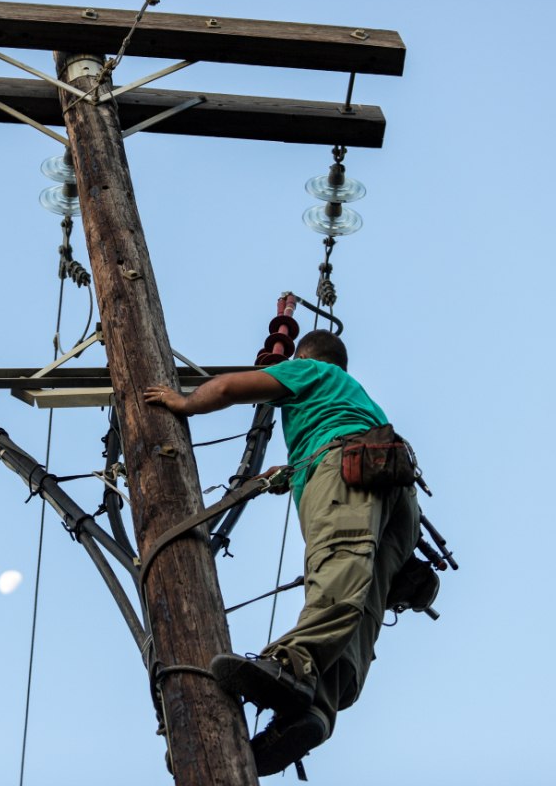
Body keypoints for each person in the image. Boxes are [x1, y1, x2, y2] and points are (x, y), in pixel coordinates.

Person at [143, 329, 420, 776]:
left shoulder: (309, 371)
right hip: (399, 497)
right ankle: (314, 710)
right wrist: (285, 474)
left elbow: (231, 387)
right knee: (365, 596)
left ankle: (290, 665)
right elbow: (329, 437)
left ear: (307, 356)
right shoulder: (352, 398)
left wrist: (184, 403)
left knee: (337, 563)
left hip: (348, 469)